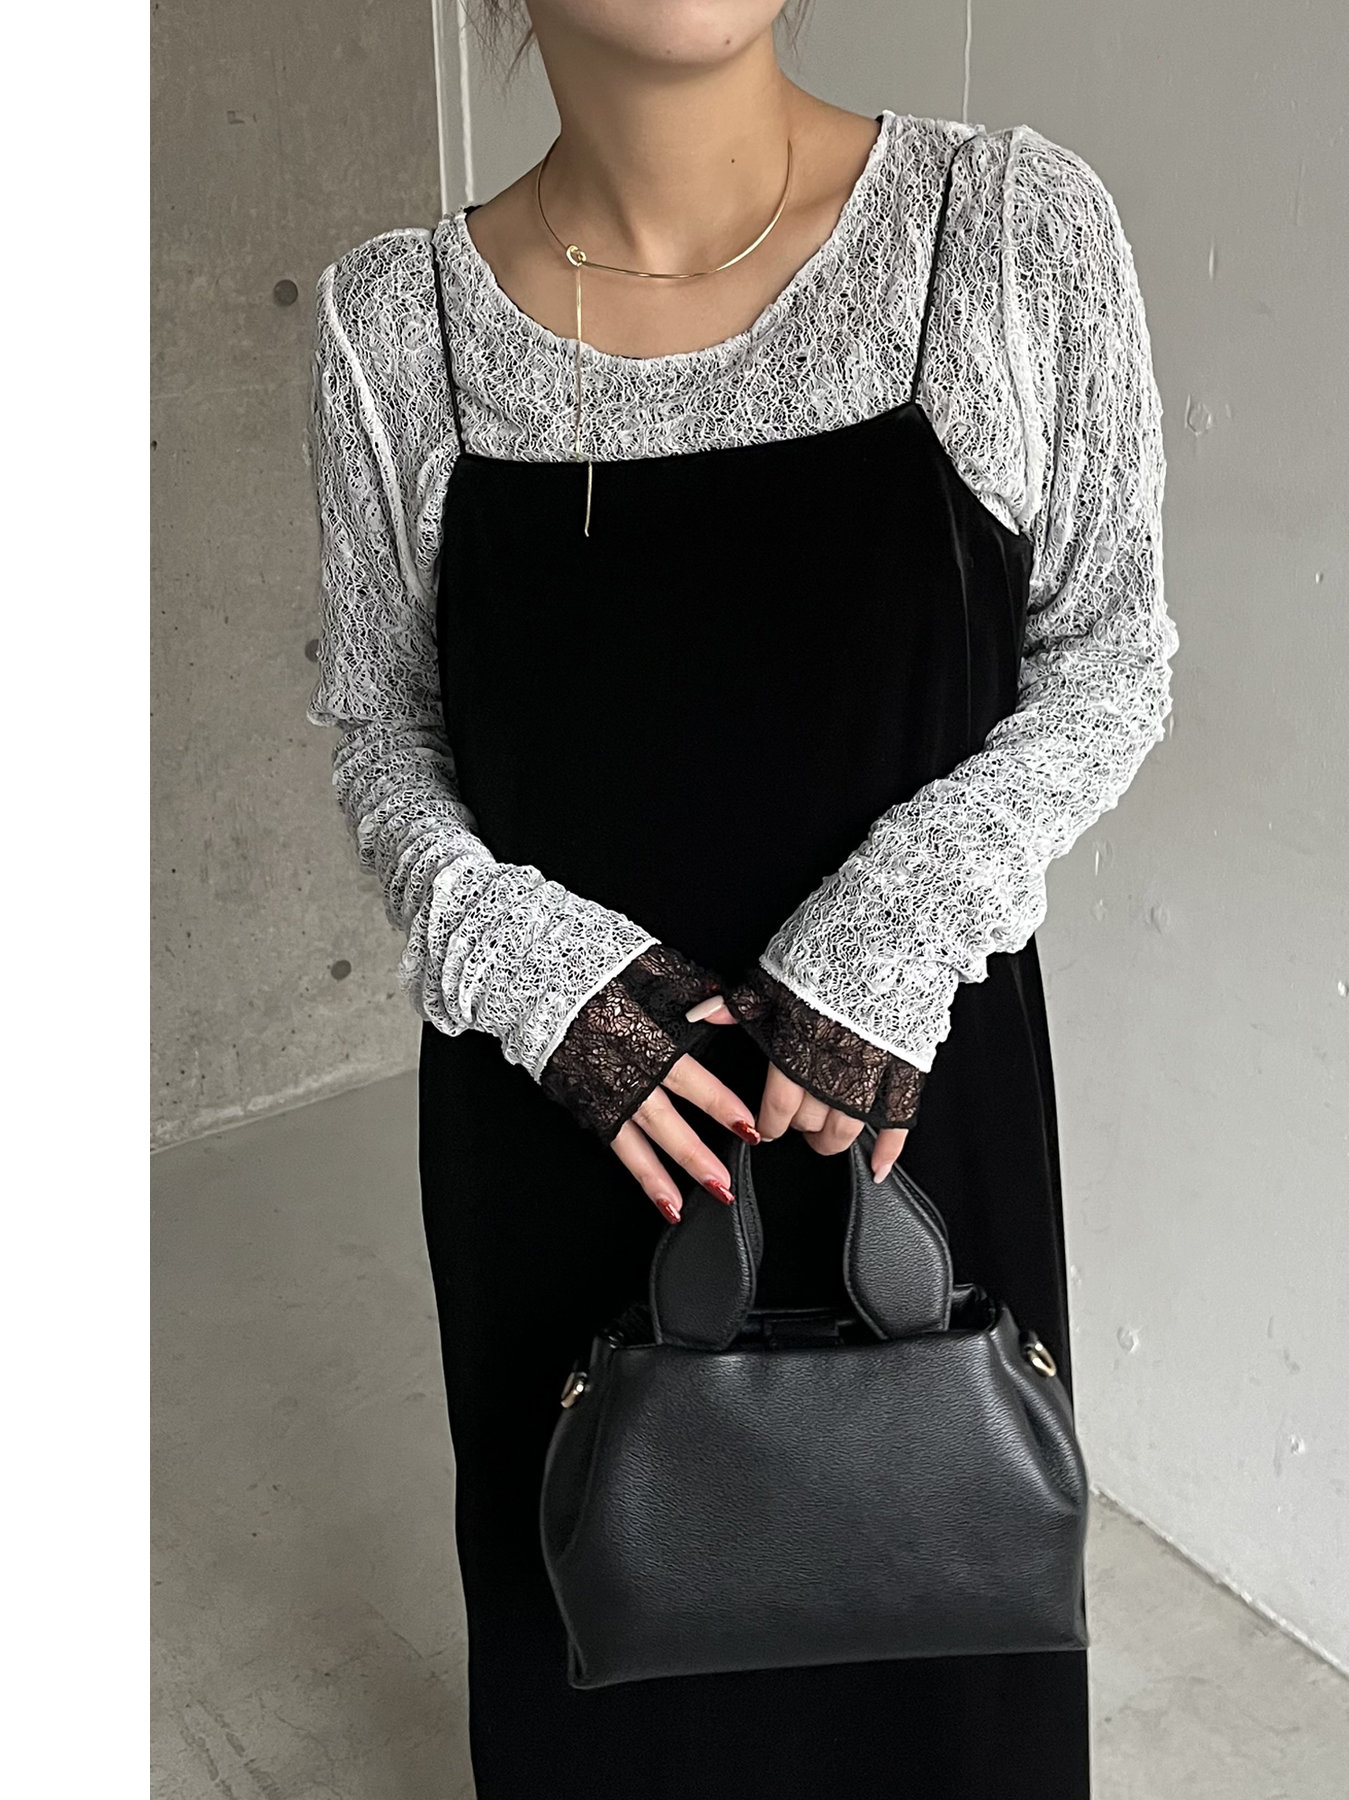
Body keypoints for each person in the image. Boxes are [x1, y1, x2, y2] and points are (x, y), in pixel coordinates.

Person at [306, 2, 1176, 1793]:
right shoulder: (396, 329)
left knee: (942, 1674)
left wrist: (899, 921)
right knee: (606, 1680)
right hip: (561, 1138)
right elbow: (384, 733)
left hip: (906, 1122)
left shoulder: (1006, 234)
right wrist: (522, 964)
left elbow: (1112, 654)